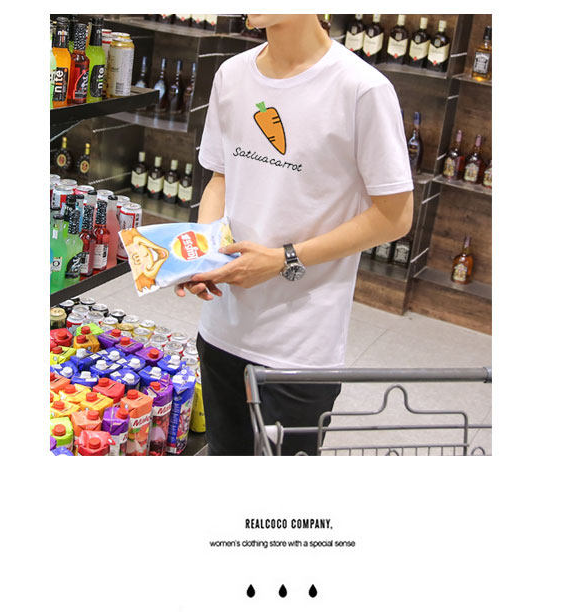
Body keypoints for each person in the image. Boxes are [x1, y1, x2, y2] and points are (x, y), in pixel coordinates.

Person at [175, 14, 414, 455]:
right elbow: (220, 179)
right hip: (222, 328)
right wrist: (203, 257)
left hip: (300, 346)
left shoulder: (362, 89)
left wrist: (283, 258)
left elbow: (395, 216)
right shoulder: (232, 75)